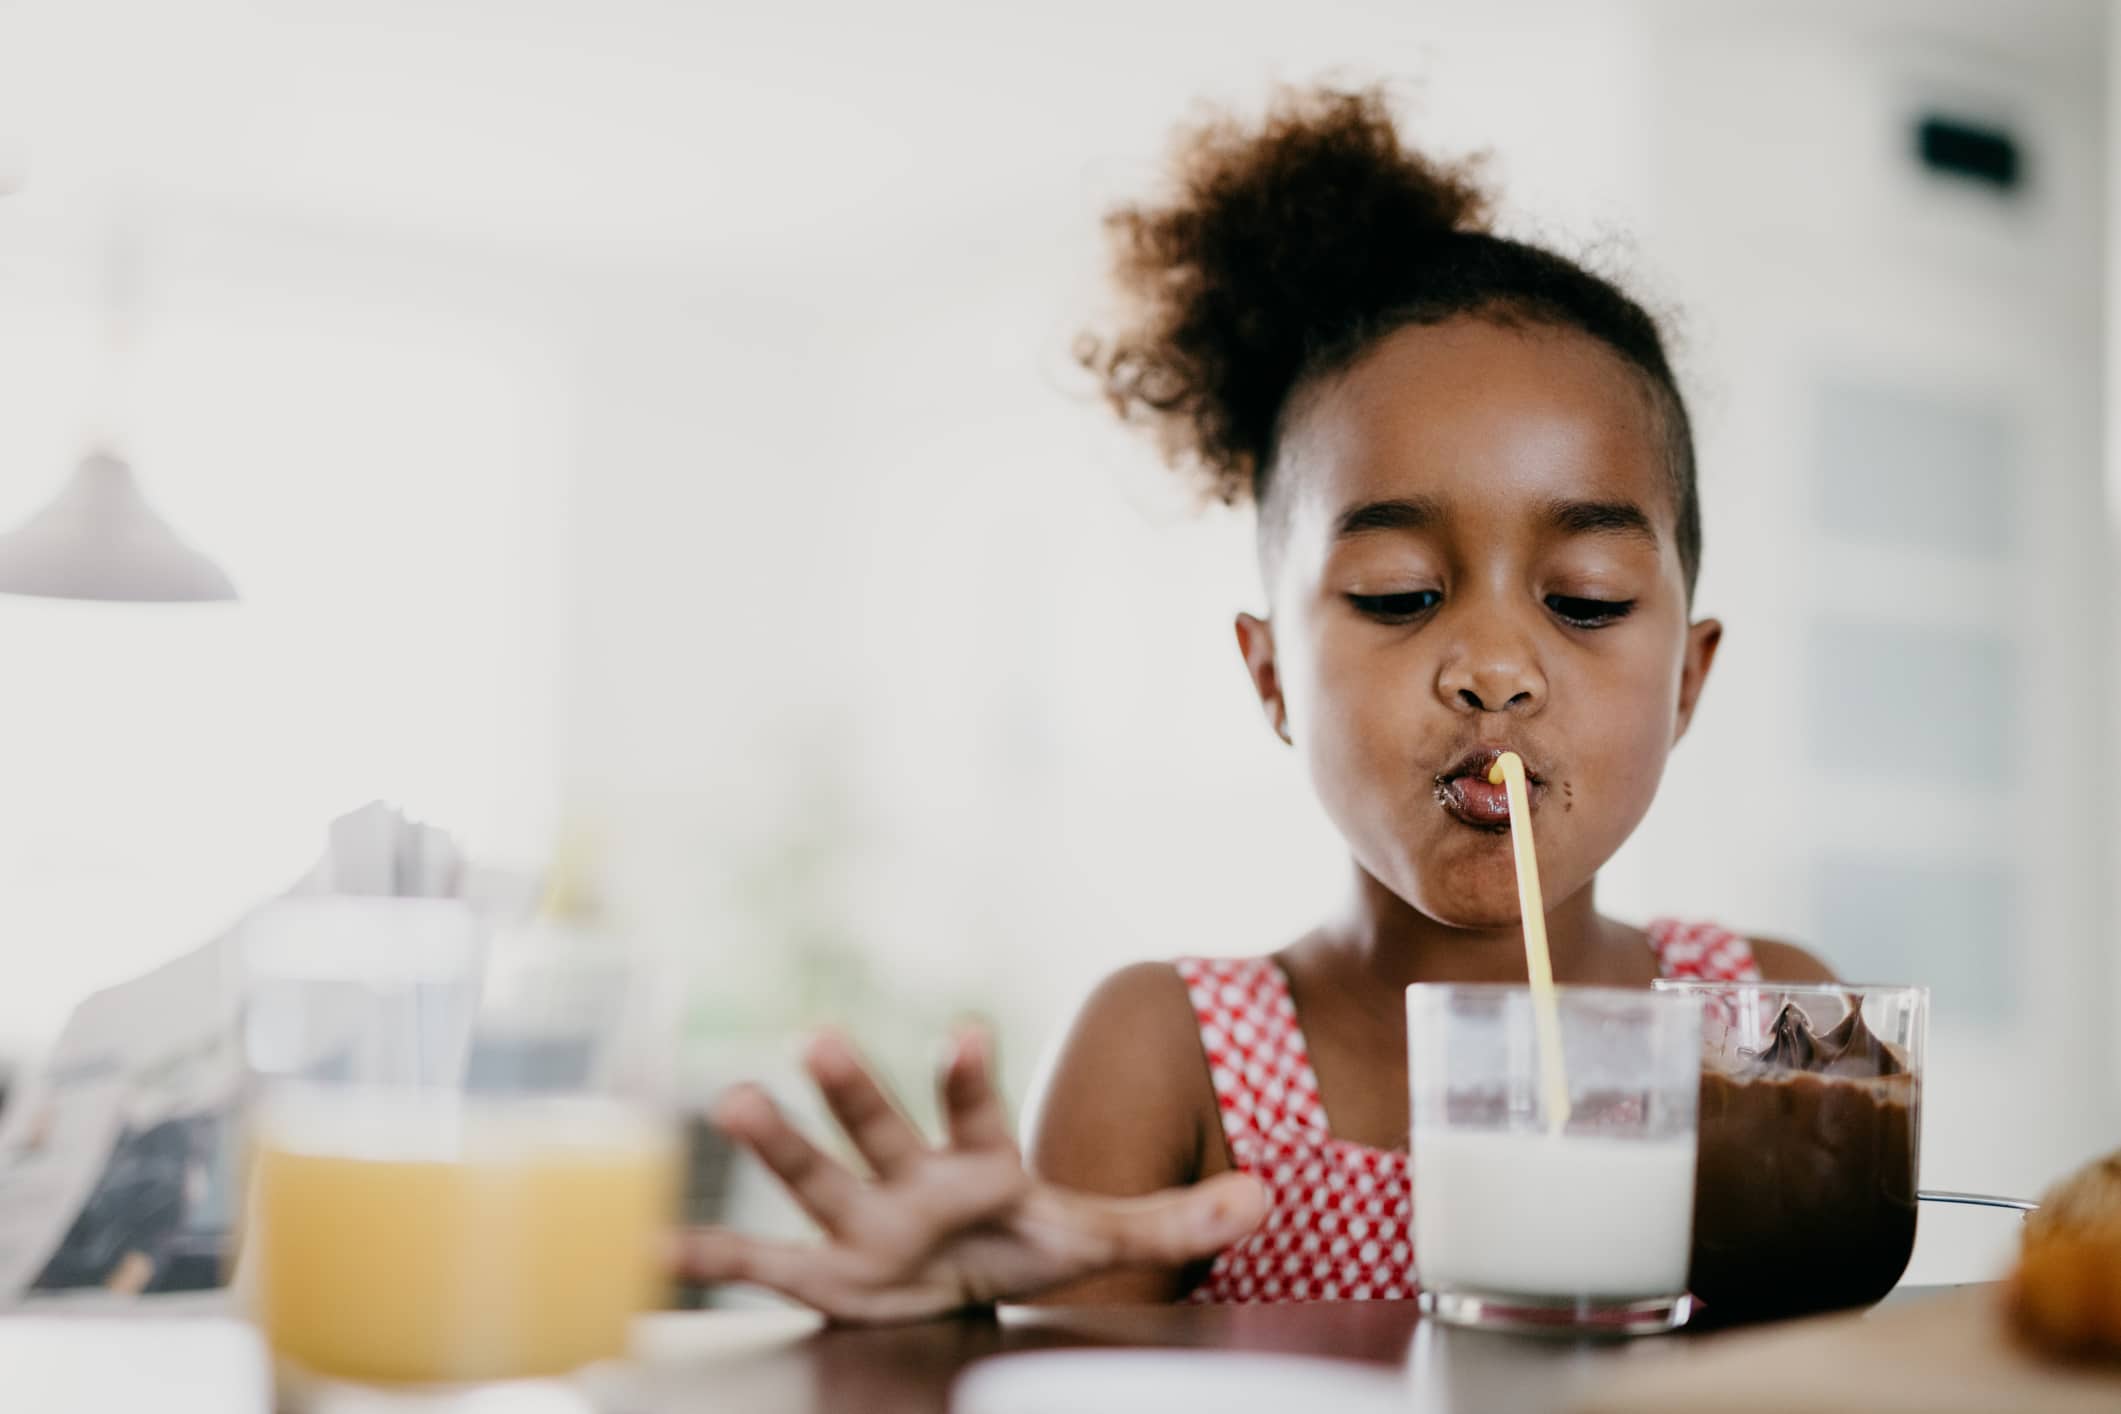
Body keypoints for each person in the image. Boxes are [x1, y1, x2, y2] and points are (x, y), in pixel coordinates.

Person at [680, 82, 1835, 1322]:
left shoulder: (1763, 1029)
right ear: (1272, 672)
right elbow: (1071, 1386)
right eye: (1398, 594)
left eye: (1589, 600)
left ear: (1689, 681)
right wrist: (953, 1336)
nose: (1494, 667)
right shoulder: (1168, 1055)